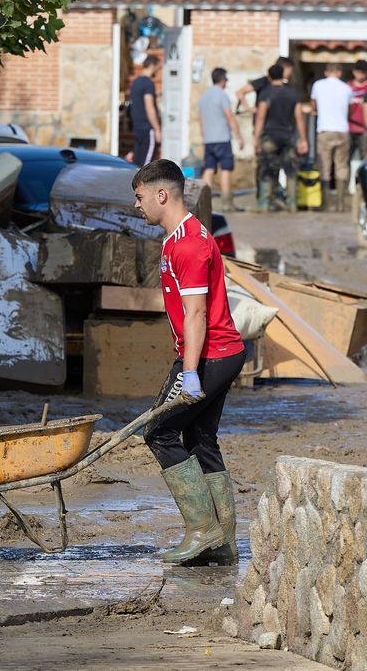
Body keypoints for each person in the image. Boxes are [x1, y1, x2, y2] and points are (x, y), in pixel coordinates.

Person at [130, 158, 245, 566]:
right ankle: (223, 543)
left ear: (162, 195)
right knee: (200, 441)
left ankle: (202, 529)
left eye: (140, 197)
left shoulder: (190, 244)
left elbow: (196, 314)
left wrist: (190, 371)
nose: (138, 206)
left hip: (211, 356)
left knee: (157, 432)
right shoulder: (175, 238)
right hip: (216, 353)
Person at [254, 64, 307, 211]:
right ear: (283, 75)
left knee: (267, 169)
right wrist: (303, 139)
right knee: (291, 170)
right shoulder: (293, 94)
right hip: (289, 136)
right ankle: (291, 203)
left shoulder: (265, 93)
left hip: (270, 137)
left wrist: (256, 138)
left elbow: (260, 117)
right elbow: (299, 118)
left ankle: (264, 203)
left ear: (269, 77)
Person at [198, 67, 245, 212]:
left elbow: (200, 120)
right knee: (226, 169)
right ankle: (227, 203)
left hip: (209, 139)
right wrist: (239, 136)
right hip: (222, 138)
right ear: (223, 80)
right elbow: (229, 116)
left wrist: (204, 135)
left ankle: (204, 203)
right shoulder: (222, 95)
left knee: (209, 168)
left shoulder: (204, 96)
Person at [311, 62, 353, 212]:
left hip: (324, 129)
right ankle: (340, 204)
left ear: (326, 72)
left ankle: (326, 203)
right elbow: (350, 111)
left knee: (325, 166)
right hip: (342, 130)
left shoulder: (318, 85)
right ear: (340, 73)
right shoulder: (347, 88)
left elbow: (314, 106)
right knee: (341, 166)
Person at [129, 55, 162, 165]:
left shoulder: (135, 82)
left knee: (137, 163)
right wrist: (157, 129)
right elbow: (149, 107)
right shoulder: (149, 83)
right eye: (158, 68)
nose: (158, 71)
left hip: (137, 127)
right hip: (148, 128)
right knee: (147, 166)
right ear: (152, 66)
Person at [347, 60, 367, 160]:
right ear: (354, 72)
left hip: (365, 129)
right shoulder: (347, 87)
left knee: (366, 159)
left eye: (363, 73)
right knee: (345, 159)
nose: (361, 75)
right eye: (358, 72)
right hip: (349, 128)